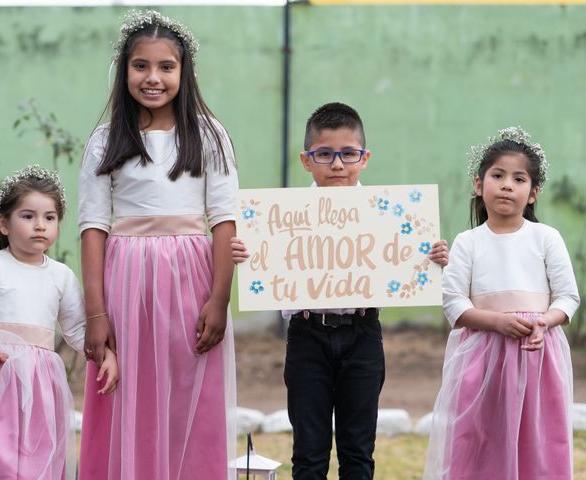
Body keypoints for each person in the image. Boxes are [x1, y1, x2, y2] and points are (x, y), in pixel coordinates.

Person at [232, 102, 449, 479]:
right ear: (306, 160)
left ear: (364, 158)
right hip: (306, 336)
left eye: (348, 154)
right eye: (325, 154)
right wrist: (247, 252)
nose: (337, 164)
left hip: (362, 334)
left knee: (358, 453)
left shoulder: (389, 214)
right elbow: (267, 260)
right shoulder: (281, 216)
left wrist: (430, 256)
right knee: (309, 455)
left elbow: (403, 257)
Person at [78, 9, 238, 480]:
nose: (153, 77)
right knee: (130, 393)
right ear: (124, 70)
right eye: (141, 66)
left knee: (190, 391)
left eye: (166, 67)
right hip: (125, 280)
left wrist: (219, 297)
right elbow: (92, 227)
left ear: (184, 72)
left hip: (192, 280)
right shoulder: (105, 141)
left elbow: (225, 223)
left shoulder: (209, 135)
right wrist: (96, 312)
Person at [423, 127, 580, 480]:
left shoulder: (546, 238)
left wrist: (544, 321)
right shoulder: (468, 242)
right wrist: (495, 322)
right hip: (482, 358)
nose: (507, 185)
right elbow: (454, 304)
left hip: (537, 357)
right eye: (497, 175)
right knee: (479, 436)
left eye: (518, 178)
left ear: (533, 193)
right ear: (479, 185)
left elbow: (568, 297)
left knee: (537, 438)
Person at [0, 165, 118, 479]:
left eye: (49, 218)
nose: (40, 226)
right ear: (4, 223)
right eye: (28, 216)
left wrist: (105, 355)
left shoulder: (61, 276)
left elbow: (78, 330)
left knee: (32, 460)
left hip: (40, 387)